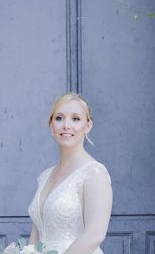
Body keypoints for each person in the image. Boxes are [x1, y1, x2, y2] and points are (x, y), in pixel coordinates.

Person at [27, 93, 113, 254]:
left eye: (76, 119)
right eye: (59, 118)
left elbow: (95, 235)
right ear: (51, 126)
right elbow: (36, 236)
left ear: (88, 126)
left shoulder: (94, 173)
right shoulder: (45, 176)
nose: (66, 125)